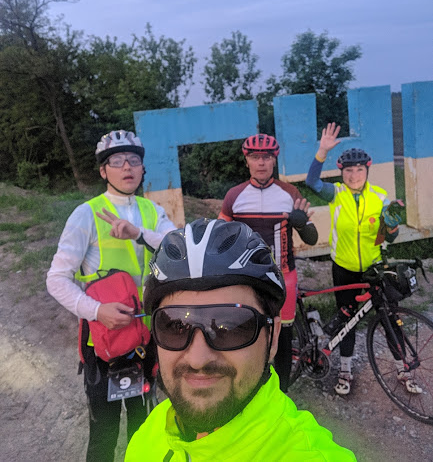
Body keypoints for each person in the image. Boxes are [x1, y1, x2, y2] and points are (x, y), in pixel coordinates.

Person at [125, 218, 356, 461]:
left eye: (229, 327)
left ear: (273, 338)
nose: (197, 359)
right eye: (175, 326)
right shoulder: (149, 433)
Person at [46, 130, 177, 462]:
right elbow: (56, 279)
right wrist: (96, 310)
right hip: (104, 342)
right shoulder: (86, 214)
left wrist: (139, 234)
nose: (127, 167)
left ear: (143, 168)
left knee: (144, 431)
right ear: (103, 171)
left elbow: (180, 248)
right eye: (117, 161)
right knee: (103, 435)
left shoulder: (153, 211)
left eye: (133, 160)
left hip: (146, 339)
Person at [305, 122, 416, 396]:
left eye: (359, 170)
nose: (354, 175)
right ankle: (345, 370)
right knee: (347, 320)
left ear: (367, 171)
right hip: (344, 269)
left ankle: (403, 368)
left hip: (374, 269)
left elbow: (388, 238)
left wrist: (391, 226)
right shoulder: (336, 194)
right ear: (341, 172)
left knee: (389, 318)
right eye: (348, 170)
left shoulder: (380, 197)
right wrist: (322, 151)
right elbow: (311, 182)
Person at [218, 133, 318, 391]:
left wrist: (301, 224)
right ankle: (251, 386)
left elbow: (312, 238)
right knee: (249, 330)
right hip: (247, 277)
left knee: (282, 336)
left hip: (284, 275)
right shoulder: (234, 196)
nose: (261, 162)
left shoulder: (290, 193)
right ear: (247, 161)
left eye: (267, 157)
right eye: (255, 157)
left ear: (274, 160)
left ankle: (282, 392)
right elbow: (219, 238)